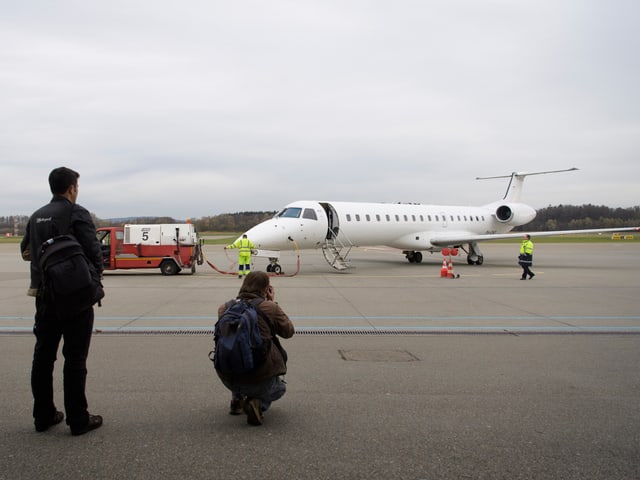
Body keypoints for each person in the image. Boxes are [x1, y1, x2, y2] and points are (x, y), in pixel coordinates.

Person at [20, 167, 104, 435]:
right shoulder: (76, 212)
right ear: (71, 188)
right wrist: (94, 281)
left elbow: (26, 252)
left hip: (44, 296)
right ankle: (78, 419)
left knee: (43, 357)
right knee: (75, 358)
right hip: (75, 297)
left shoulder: (36, 216)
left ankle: (43, 415)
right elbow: (94, 251)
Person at [216, 271, 294, 425]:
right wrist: (273, 303)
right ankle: (257, 403)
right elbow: (288, 331)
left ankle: (236, 399)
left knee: (237, 354)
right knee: (280, 388)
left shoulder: (224, 308)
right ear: (266, 289)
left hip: (227, 376)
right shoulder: (270, 308)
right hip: (259, 376)